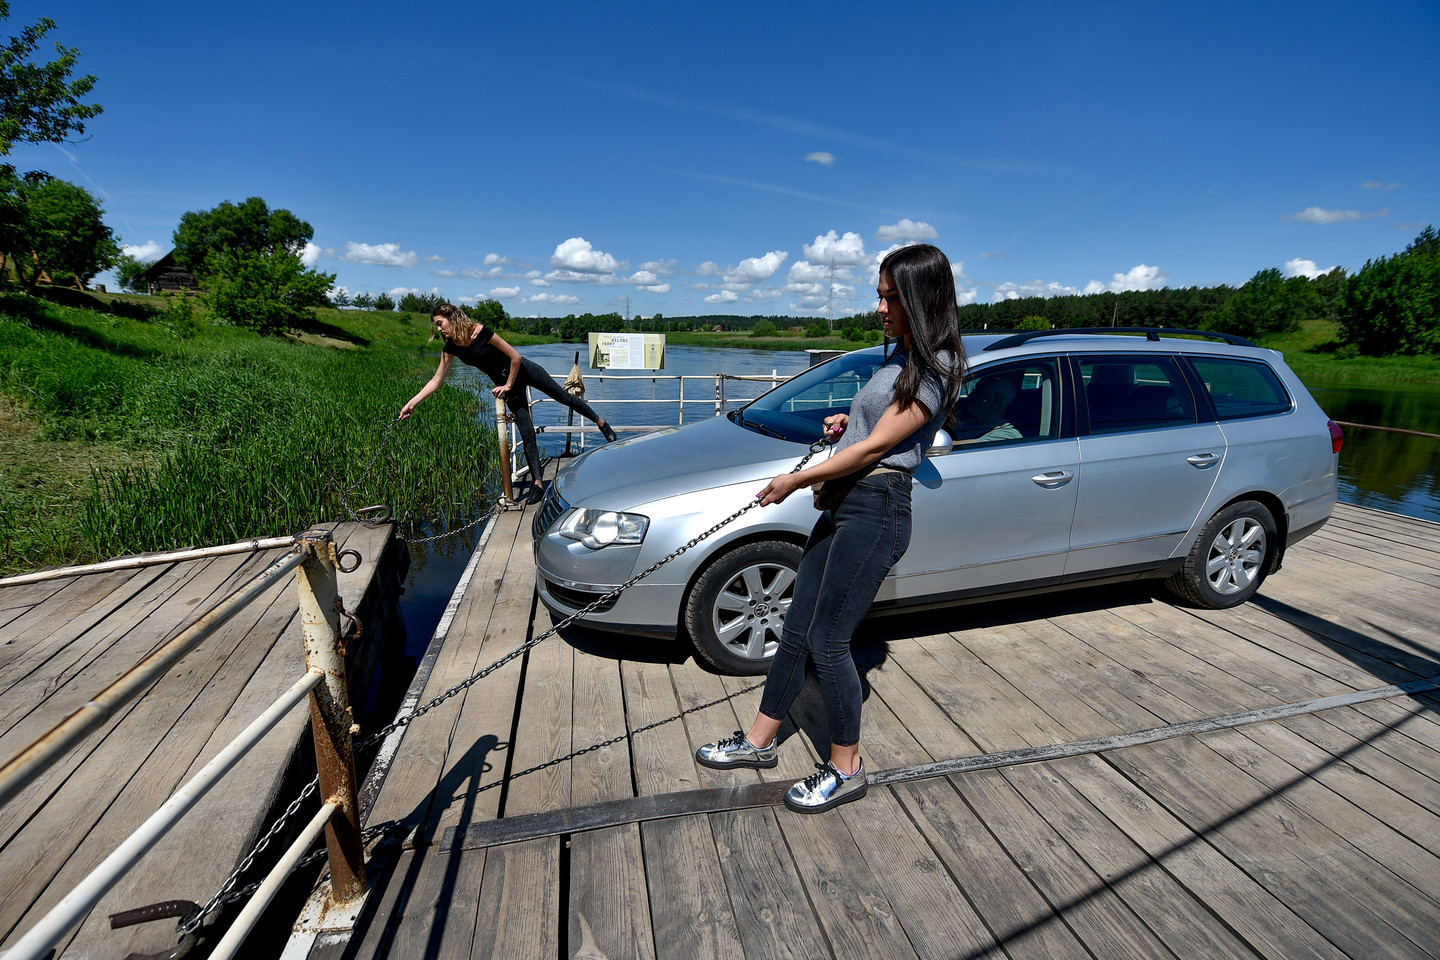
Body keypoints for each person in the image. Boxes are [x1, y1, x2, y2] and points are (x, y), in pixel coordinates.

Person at [695, 243, 967, 813]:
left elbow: (876, 449)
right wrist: (848, 420)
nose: (880, 307)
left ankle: (847, 768)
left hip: (877, 512)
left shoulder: (935, 370)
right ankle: (759, 741)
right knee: (797, 625)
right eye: (880, 294)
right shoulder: (901, 360)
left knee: (829, 640)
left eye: (891, 296)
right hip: (849, 504)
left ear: (922, 299)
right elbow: (875, 430)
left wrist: (795, 481)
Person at [400, 303, 617, 503]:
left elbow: (516, 357)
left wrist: (508, 385)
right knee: (526, 431)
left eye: (440, 323)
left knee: (564, 397)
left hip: (524, 372)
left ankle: (601, 423)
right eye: (436, 326)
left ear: (452, 318)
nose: (438, 329)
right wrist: (412, 403)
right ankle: (538, 484)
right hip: (506, 386)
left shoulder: (480, 331)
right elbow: (436, 381)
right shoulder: (451, 348)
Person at [953, 373, 1021, 444]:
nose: (970, 396)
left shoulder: (1007, 435)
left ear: (996, 400)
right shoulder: (968, 423)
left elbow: (953, 447)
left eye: (979, 393)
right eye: (973, 391)